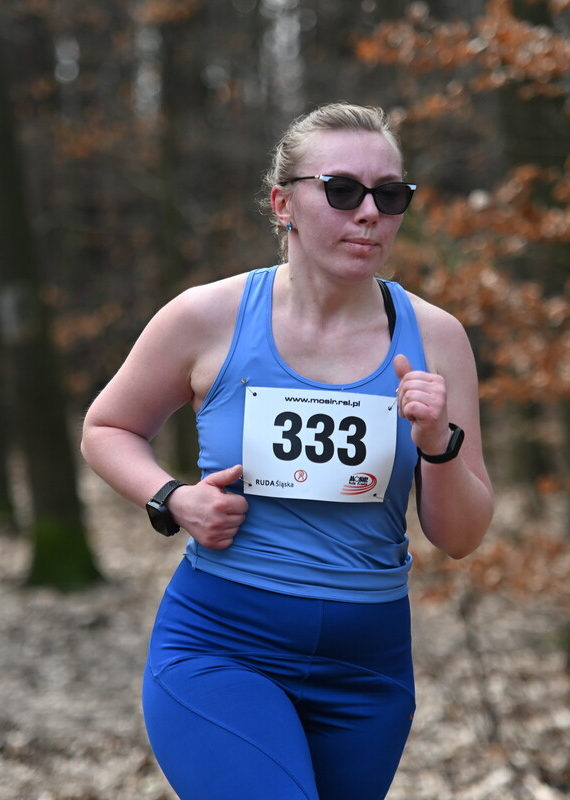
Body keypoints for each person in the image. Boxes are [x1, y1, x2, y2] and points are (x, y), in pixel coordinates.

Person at [80, 102, 493, 800]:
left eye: (389, 196)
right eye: (341, 191)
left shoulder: (437, 338)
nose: (368, 213)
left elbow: (460, 537)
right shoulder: (205, 317)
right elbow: (106, 428)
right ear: (283, 203)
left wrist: (437, 445)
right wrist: (173, 498)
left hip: (368, 668)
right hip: (222, 646)